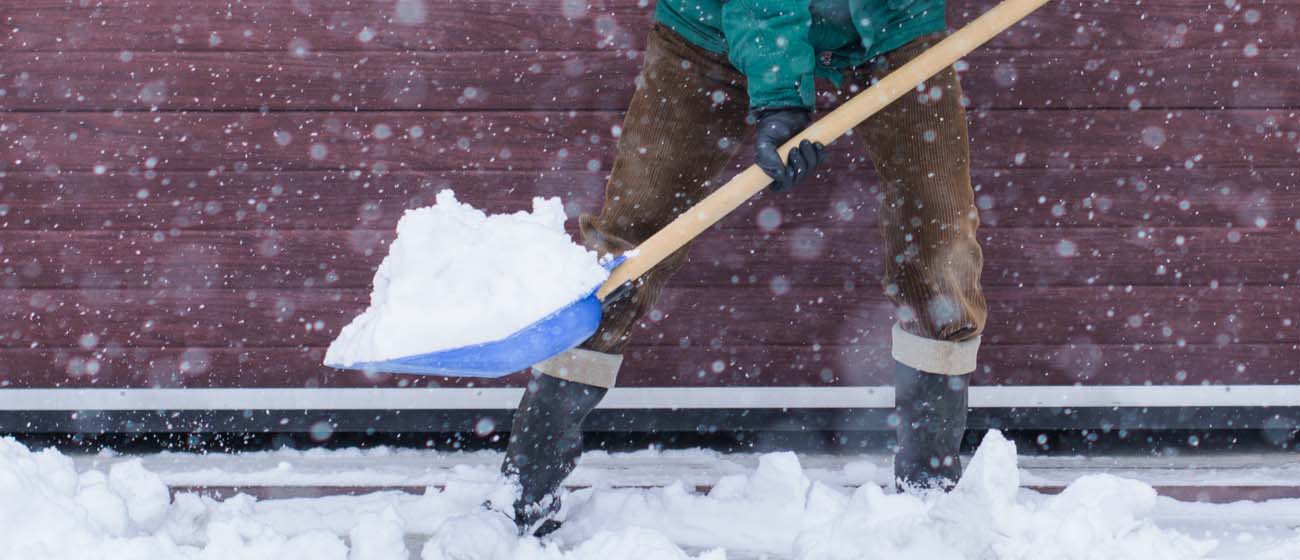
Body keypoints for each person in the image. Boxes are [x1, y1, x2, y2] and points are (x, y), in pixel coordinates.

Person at [501, 0, 986, 536]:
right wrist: (781, 94)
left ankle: (930, 496)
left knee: (941, 244)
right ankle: (525, 488)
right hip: (711, 28)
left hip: (892, 25)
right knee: (629, 250)